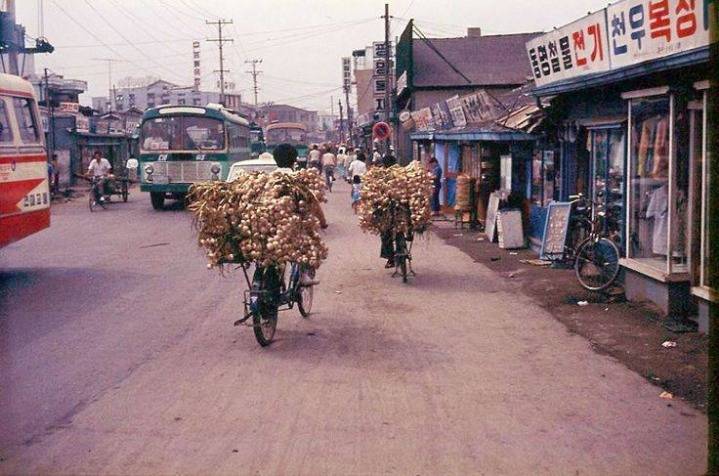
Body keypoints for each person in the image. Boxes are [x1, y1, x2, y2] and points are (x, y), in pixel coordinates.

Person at [272, 143, 327, 229]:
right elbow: (315, 204)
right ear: (295, 160)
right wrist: (323, 222)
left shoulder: (267, 181)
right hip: (296, 228)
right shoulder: (300, 181)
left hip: (274, 228)